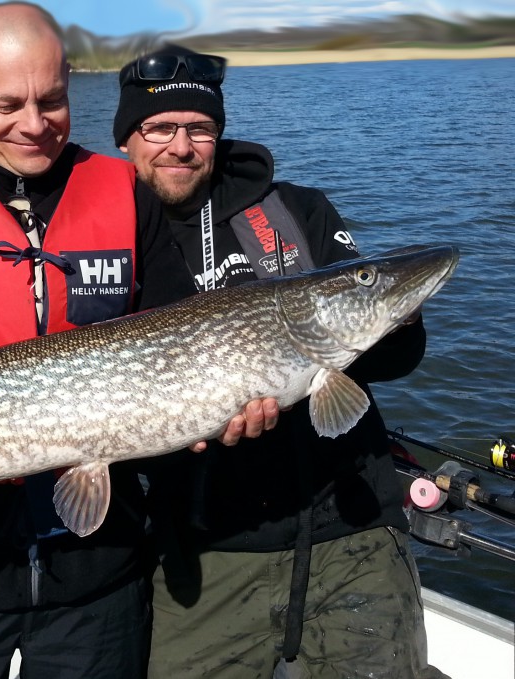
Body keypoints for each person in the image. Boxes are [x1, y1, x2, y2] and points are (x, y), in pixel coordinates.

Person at [0, 5, 279, 677]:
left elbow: (181, 340)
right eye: (7, 103)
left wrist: (229, 405)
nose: (35, 124)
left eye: (53, 100)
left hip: (99, 576)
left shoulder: (129, 197)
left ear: (71, 83)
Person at [113, 44, 447, 678]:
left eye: (200, 129)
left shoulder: (297, 210)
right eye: (159, 128)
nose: (181, 146)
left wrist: (397, 314)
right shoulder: (112, 237)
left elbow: (398, 357)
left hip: (353, 527)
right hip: (209, 550)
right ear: (128, 136)